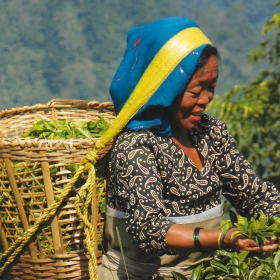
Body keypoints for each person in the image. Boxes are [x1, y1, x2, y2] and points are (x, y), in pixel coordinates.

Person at [98, 16, 280, 280]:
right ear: (166, 89)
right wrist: (222, 239)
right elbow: (149, 229)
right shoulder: (136, 146)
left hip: (205, 273)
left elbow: (254, 195)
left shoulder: (211, 133)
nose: (206, 100)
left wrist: (273, 219)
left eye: (211, 88)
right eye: (196, 91)